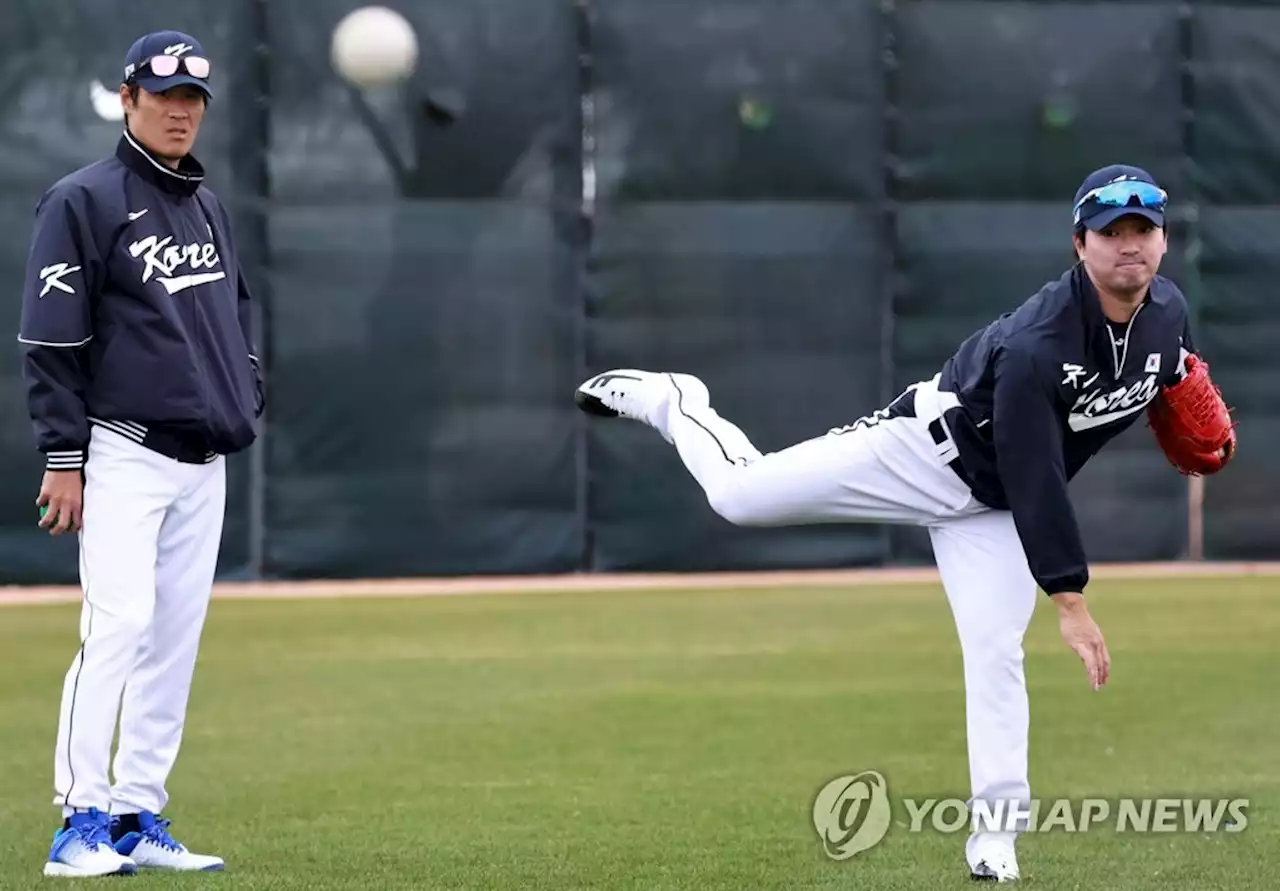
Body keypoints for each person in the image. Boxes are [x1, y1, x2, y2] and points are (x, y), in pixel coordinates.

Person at [574, 164, 1216, 882]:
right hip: (920, 450)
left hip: (990, 506)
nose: (1129, 243)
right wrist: (1069, 599)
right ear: (1079, 243)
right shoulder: (1038, 344)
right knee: (739, 495)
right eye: (1111, 230)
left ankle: (994, 837)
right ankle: (675, 400)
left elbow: (1167, 378)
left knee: (996, 650)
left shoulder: (1168, 313)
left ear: (1163, 241)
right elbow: (1036, 474)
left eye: (1143, 228)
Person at [17, 30, 263, 878]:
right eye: (163, 95)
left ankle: (135, 813)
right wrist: (62, 453)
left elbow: (235, 313)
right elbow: (52, 339)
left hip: (205, 459)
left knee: (173, 640)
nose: (179, 110)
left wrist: (247, 390)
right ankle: (77, 824)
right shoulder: (81, 200)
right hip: (123, 449)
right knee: (116, 627)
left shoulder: (205, 204)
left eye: (192, 98)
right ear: (127, 99)